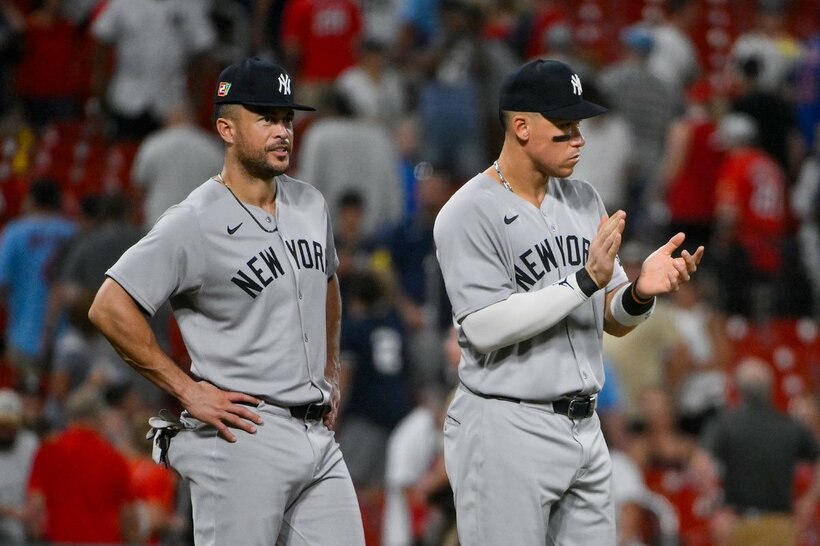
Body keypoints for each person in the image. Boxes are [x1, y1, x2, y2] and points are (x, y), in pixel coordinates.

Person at [87, 57, 365, 545]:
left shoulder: (310, 203)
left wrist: (332, 368)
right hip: (243, 436)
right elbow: (109, 306)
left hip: (317, 436)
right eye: (266, 119)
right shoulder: (194, 219)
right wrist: (187, 390)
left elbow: (328, 282)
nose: (282, 132)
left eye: (286, 119)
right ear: (226, 129)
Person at [432, 58, 704, 545]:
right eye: (565, 126)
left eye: (579, 126)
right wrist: (582, 281)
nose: (579, 139)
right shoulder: (468, 211)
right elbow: (482, 328)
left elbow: (611, 316)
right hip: (507, 423)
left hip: (585, 426)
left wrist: (640, 291)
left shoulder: (583, 199)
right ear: (521, 127)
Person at [696, 356, 819, 546]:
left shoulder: (725, 424)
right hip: (779, 524)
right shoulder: (789, 426)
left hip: (738, 523)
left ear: (739, 389)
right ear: (771, 388)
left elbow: (700, 463)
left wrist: (714, 504)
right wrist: (808, 501)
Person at [26, 386, 138, 544]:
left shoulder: (48, 450)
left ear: (70, 415)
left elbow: (35, 504)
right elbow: (127, 514)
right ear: (98, 417)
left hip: (61, 540)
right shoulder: (115, 458)